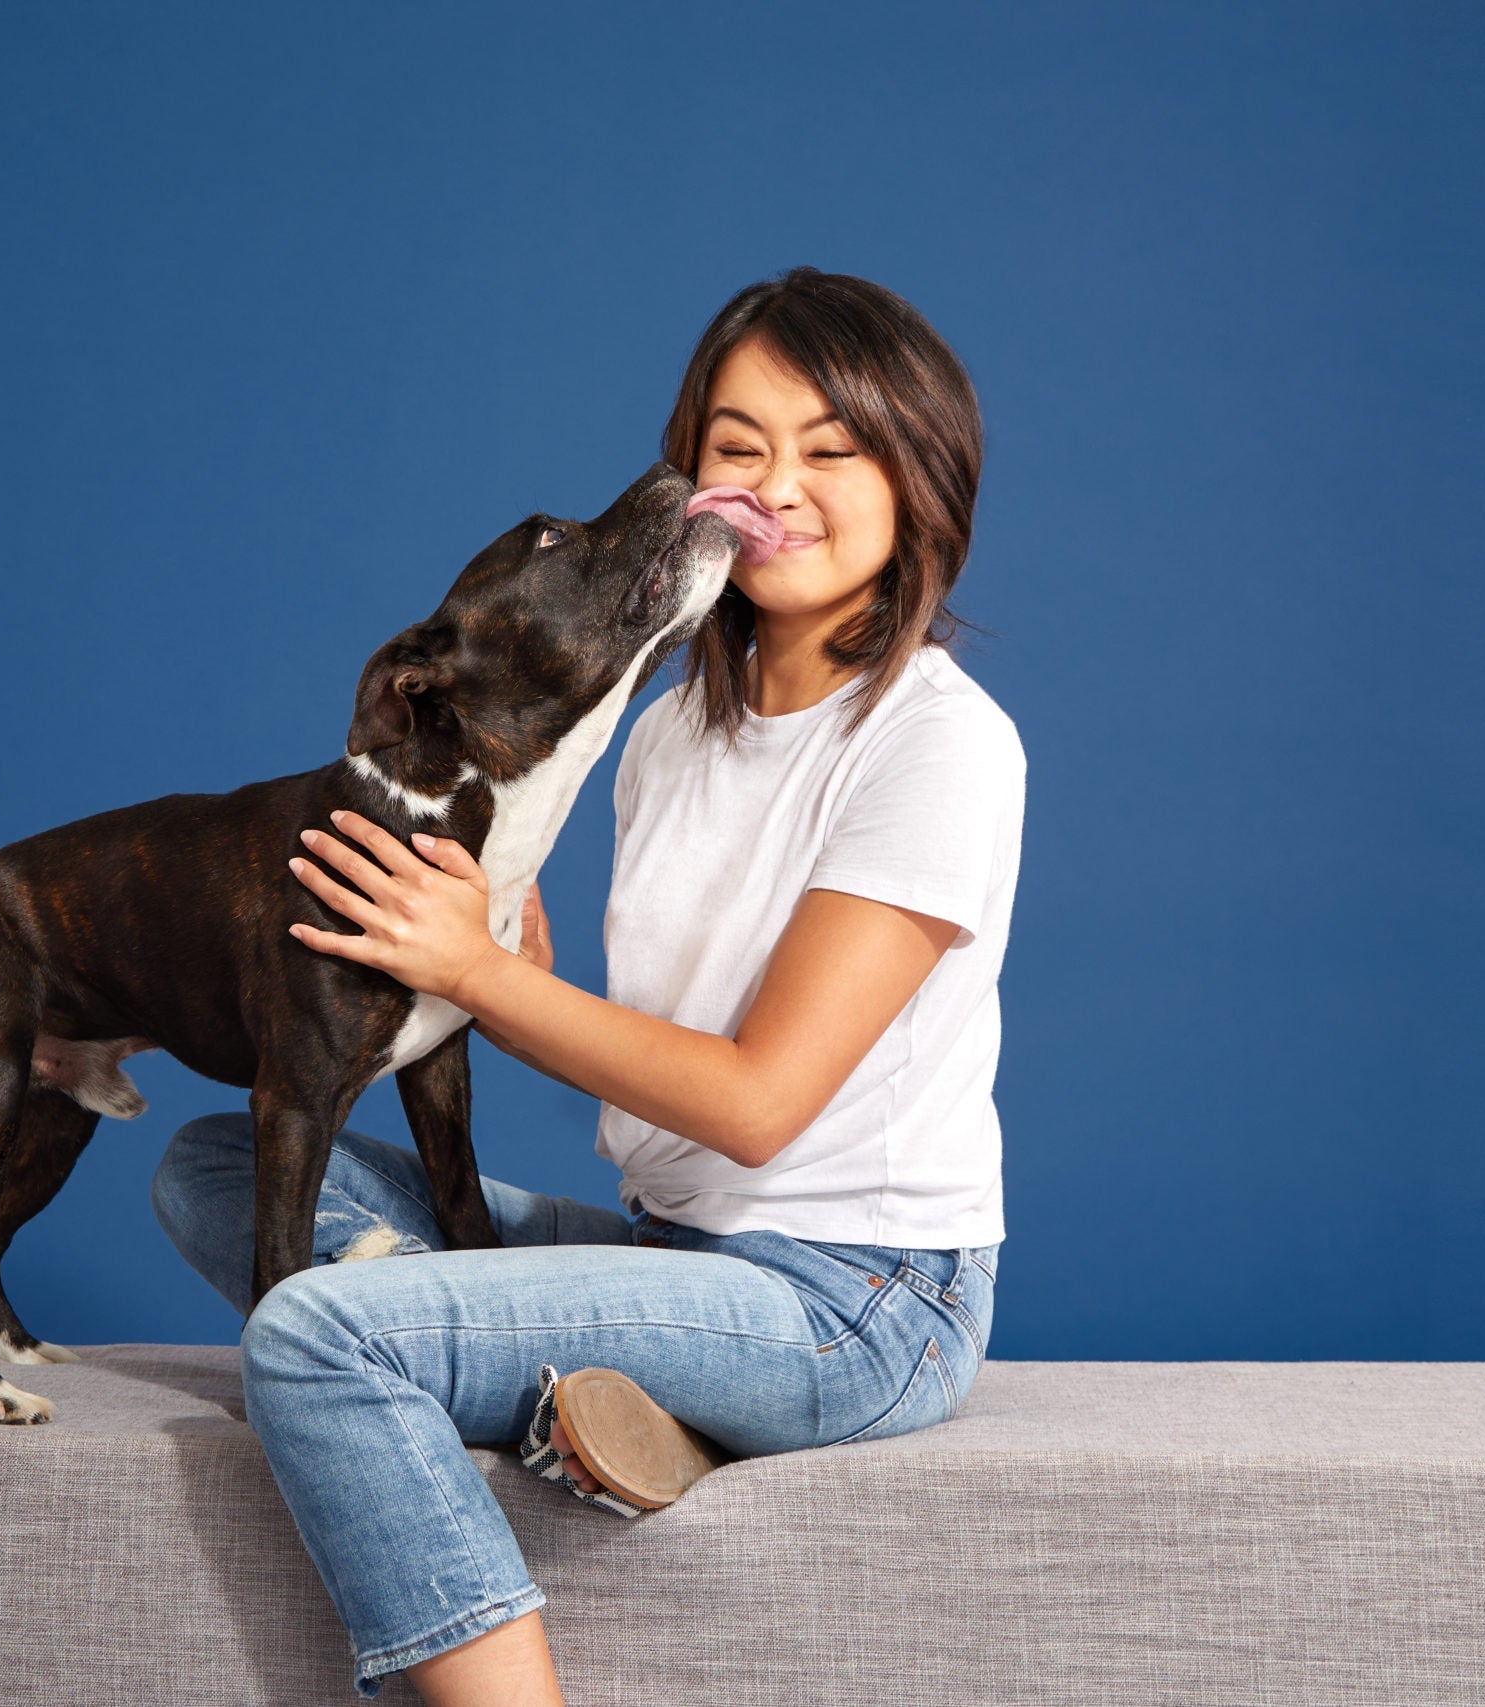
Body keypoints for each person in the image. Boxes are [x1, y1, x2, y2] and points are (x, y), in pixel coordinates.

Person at [151, 267, 1024, 1705]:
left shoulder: (937, 745)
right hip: (676, 1254)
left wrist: (482, 976)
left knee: (309, 1327)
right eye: (739, 446)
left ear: (920, 478)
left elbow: (754, 1104)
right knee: (214, 1165)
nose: (776, 488)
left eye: (833, 451)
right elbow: (643, 1042)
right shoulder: (669, 727)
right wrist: (490, 958)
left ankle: (487, 1398)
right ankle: (585, 1387)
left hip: (854, 1304)